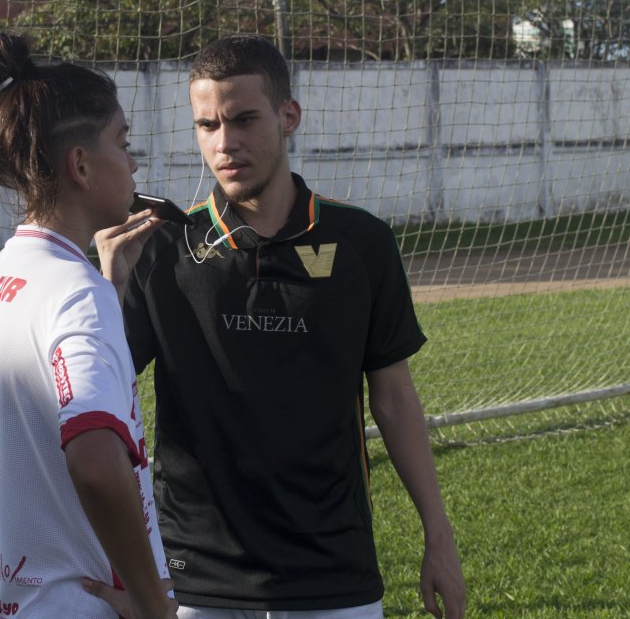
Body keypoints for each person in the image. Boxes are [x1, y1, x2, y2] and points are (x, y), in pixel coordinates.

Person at [95, 35, 465, 619]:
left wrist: (438, 536)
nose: (225, 143)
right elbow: (103, 397)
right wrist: (109, 287)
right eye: (207, 126)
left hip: (333, 571)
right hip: (197, 576)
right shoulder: (163, 248)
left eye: (244, 120)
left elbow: (393, 399)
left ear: (288, 116)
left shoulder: (362, 243)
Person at [0, 31, 177, 619]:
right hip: (84, 600)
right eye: (122, 141)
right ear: (80, 164)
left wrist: (110, 287)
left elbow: (53, 381)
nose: (133, 162)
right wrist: (154, 605)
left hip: (24, 593)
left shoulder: (3, 271)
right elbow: (94, 462)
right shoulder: (76, 292)